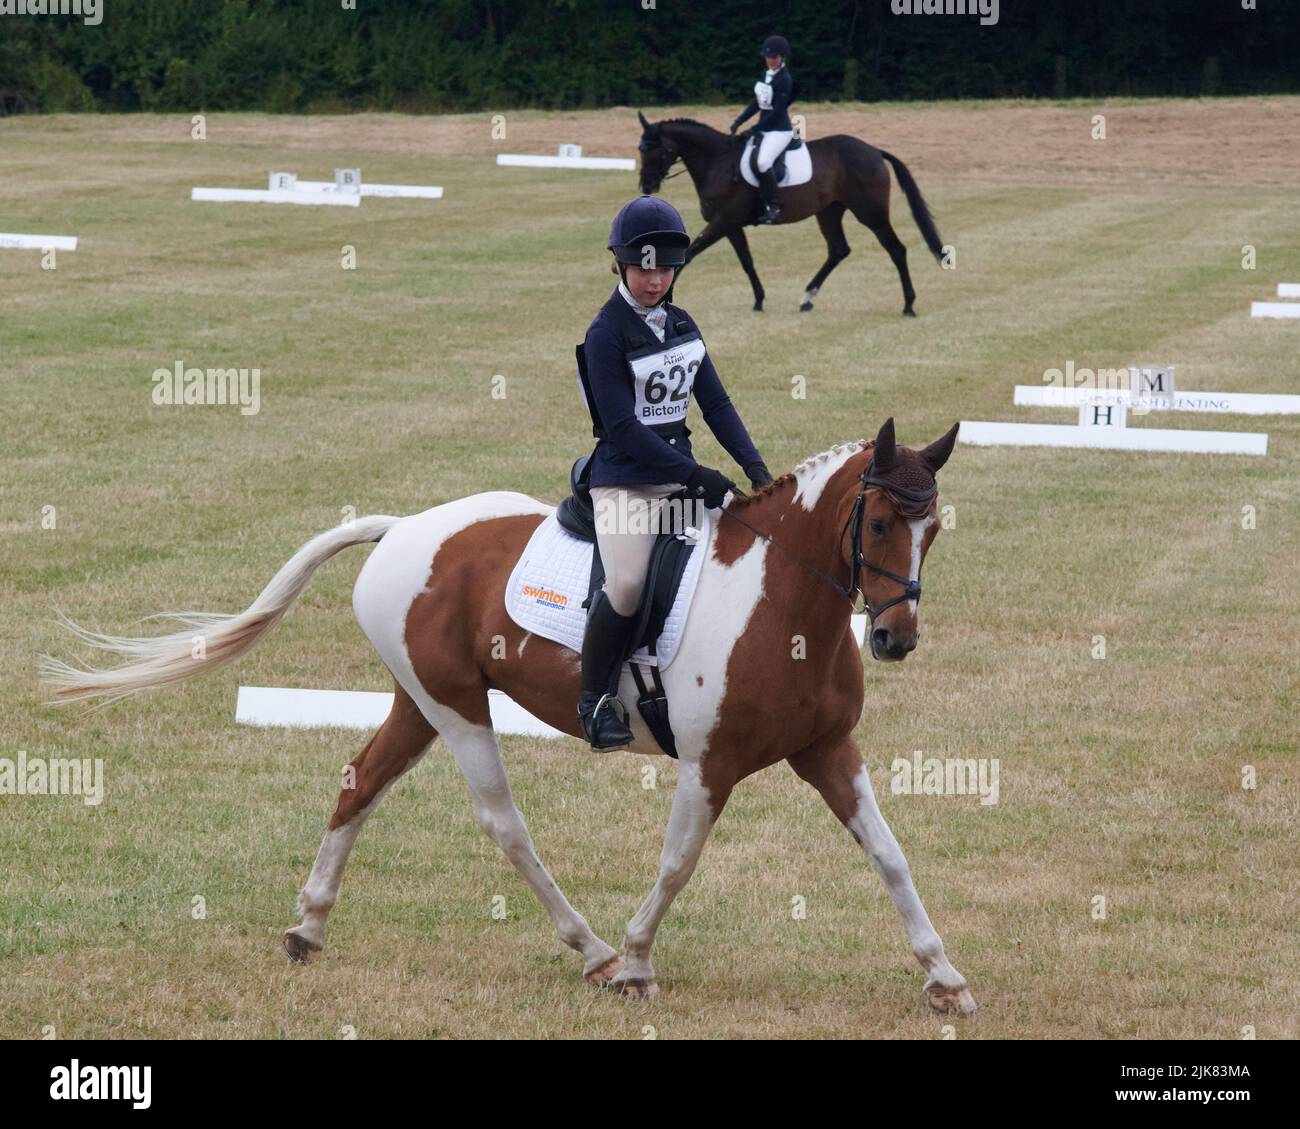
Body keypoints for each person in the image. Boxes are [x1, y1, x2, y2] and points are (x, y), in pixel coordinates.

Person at [574, 195, 773, 751]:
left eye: (665, 268)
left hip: (679, 477)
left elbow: (716, 403)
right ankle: (594, 703)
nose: (655, 279)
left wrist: (755, 470)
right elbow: (621, 427)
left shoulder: (682, 323)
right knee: (630, 582)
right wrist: (696, 474)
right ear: (621, 264)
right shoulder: (605, 333)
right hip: (623, 483)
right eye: (644, 268)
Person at [730, 34, 795, 224]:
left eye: (774, 57)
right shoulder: (765, 75)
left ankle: (774, 207)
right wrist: (739, 121)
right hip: (764, 127)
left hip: (779, 130)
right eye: (768, 57)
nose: (771, 60)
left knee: (763, 162)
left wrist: (755, 128)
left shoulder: (785, 79)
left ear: (782, 57)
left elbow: (777, 111)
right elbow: (757, 103)